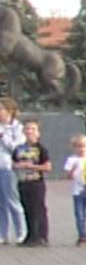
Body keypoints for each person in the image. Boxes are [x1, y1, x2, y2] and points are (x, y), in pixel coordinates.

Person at [11, 117, 49, 246]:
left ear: (38, 132)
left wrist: (32, 166)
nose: (29, 131)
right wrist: (18, 165)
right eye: (27, 128)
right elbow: (13, 163)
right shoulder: (19, 149)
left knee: (37, 209)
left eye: (33, 129)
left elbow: (47, 167)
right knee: (27, 209)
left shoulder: (41, 149)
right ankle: (30, 234)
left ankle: (41, 236)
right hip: (23, 182)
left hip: (36, 182)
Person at [0, 98, 24, 243]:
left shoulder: (17, 128)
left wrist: (3, 136)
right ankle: (3, 234)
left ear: (10, 111)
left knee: (12, 200)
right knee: (0, 203)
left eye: (1, 109)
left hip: (8, 168)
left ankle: (21, 232)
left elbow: (16, 148)